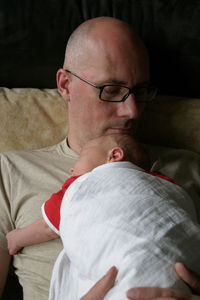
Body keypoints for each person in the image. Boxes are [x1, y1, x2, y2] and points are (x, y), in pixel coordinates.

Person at [0, 16, 200, 300]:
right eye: (112, 90)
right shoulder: (10, 171)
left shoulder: (190, 167)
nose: (132, 110)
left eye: (141, 91)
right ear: (65, 85)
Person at [6, 134, 200, 300]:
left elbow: (48, 227)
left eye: (81, 157)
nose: (72, 169)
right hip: (176, 275)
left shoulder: (82, 184)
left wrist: (16, 238)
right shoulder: (167, 183)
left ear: (114, 155)